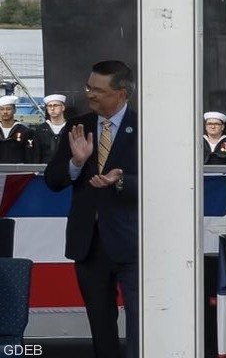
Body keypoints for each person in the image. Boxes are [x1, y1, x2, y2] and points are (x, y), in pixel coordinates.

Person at [44, 59, 138, 358]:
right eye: (89, 87)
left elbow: (162, 181)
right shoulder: (76, 126)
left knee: (141, 324)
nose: (90, 94)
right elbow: (53, 180)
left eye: (97, 90)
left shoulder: (146, 128)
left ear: (121, 94)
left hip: (133, 243)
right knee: (101, 326)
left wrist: (122, 180)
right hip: (89, 244)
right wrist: (76, 163)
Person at [32, 93, 70, 163]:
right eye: (49, 106)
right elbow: (36, 153)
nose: (52, 108)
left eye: (55, 105)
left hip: (66, 168)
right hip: (45, 169)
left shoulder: (70, 128)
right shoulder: (40, 129)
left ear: (63, 107)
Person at [0, 92, 34, 163]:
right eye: (2, 109)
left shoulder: (25, 131)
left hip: (18, 171)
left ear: (14, 110)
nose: (5, 112)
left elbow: (30, 155)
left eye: (8, 109)